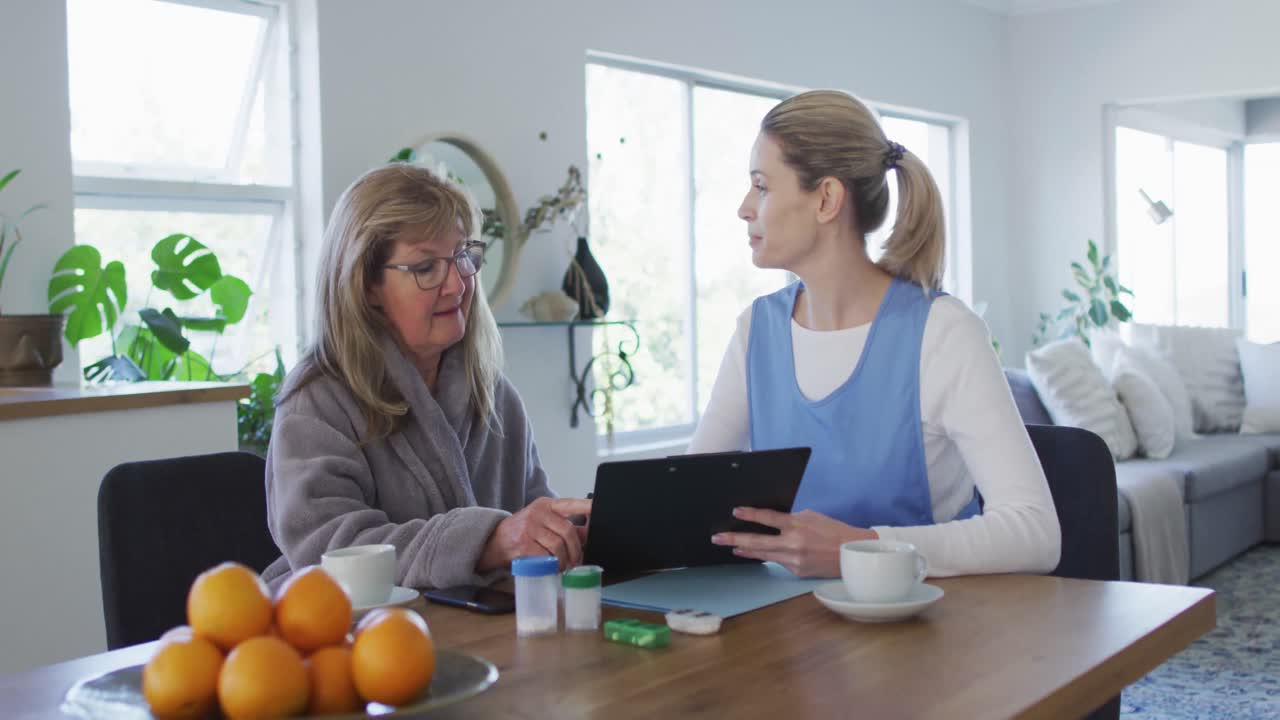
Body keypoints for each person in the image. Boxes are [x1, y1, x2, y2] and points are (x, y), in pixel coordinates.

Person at [691, 90, 1060, 579]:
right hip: (787, 632)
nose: (744, 207)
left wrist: (863, 548)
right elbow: (691, 495)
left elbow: (1035, 533)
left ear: (826, 199)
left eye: (761, 185)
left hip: (928, 633)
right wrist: (615, 520)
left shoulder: (943, 333)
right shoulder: (754, 330)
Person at [262, 163, 589, 591]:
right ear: (366, 286)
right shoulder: (317, 403)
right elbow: (330, 552)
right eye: (425, 268)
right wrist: (489, 541)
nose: (457, 284)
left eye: (463, 257)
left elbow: (531, 521)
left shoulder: (495, 398)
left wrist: (569, 534)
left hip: (485, 633)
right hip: (353, 639)